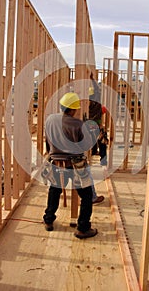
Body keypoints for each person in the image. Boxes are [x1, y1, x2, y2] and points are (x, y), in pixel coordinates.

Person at [43, 92, 99, 239]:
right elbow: (85, 146)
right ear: (73, 109)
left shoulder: (50, 119)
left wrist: (51, 153)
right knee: (86, 196)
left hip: (56, 163)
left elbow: (47, 141)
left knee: (54, 191)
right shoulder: (78, 124)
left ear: (62, 106)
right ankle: (83, 228)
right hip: (75, 166)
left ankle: (48, 220)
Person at [89, 73, 108, 167]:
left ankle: (92, 152)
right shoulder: (97, 102)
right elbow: (97, 90)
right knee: (102, 141)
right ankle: (103, 160)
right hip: (95, 125)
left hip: (87, 126)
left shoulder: (83, 103)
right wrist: (92, 79)